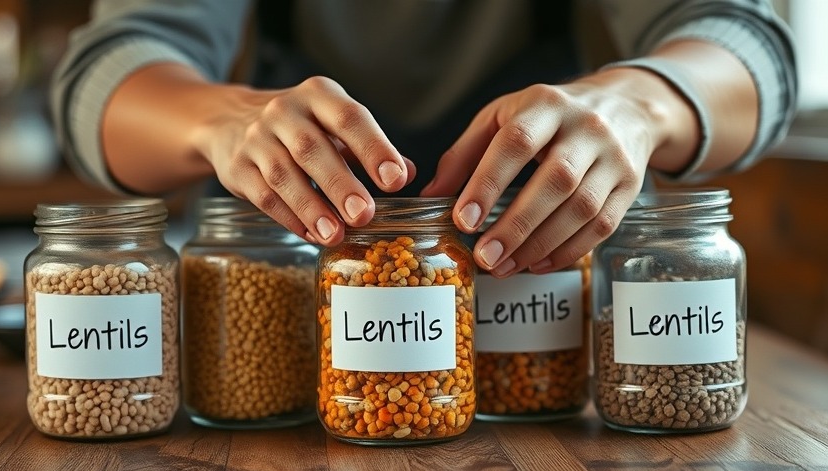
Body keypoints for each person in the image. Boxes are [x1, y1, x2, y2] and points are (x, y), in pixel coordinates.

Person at [50, 0, 797, 276]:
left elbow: (744, 45)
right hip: (295, 321)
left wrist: (637, 104)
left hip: (544, 345)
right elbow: (102, 81)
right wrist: (217, 119)